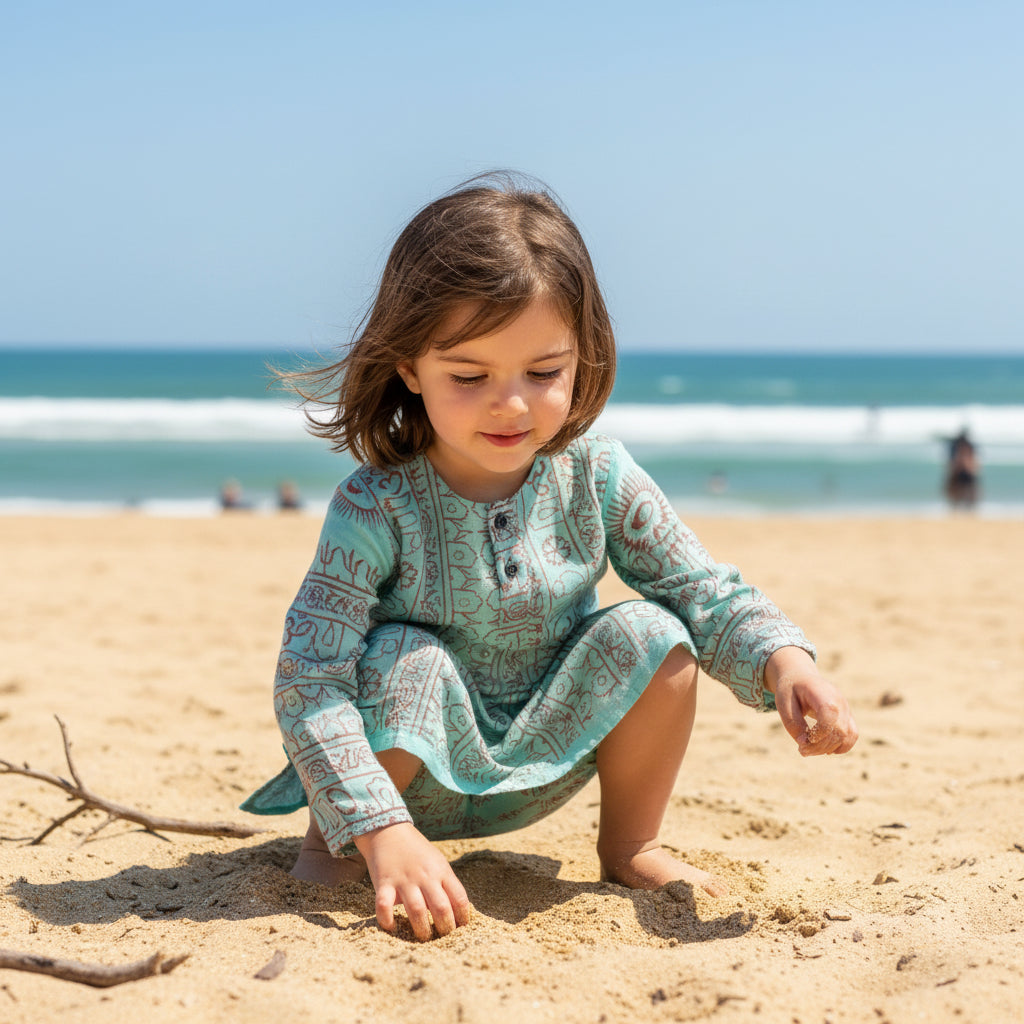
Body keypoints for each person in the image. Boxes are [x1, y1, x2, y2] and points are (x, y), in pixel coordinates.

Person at [241, 173, 858, 942]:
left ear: (583, 356)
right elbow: (309, 678)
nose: (512, 403)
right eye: (469, 377)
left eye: (544, 373)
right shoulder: (375, 506)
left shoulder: (595, 473)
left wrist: (786, 663)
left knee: (652, 633)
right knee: (409, 656)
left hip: (549, 751)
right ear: (409, 368)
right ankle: (335, 856)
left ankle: (633, 845)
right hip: (395, 784)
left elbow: (699, 586)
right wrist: (380, 826)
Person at [944, 429, 980, 510]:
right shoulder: (962, 446)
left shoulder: (958, 446)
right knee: (959, 492)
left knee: (969, 491)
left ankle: (967, 506)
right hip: (960, 471)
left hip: (964, 471)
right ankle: (959, 506)